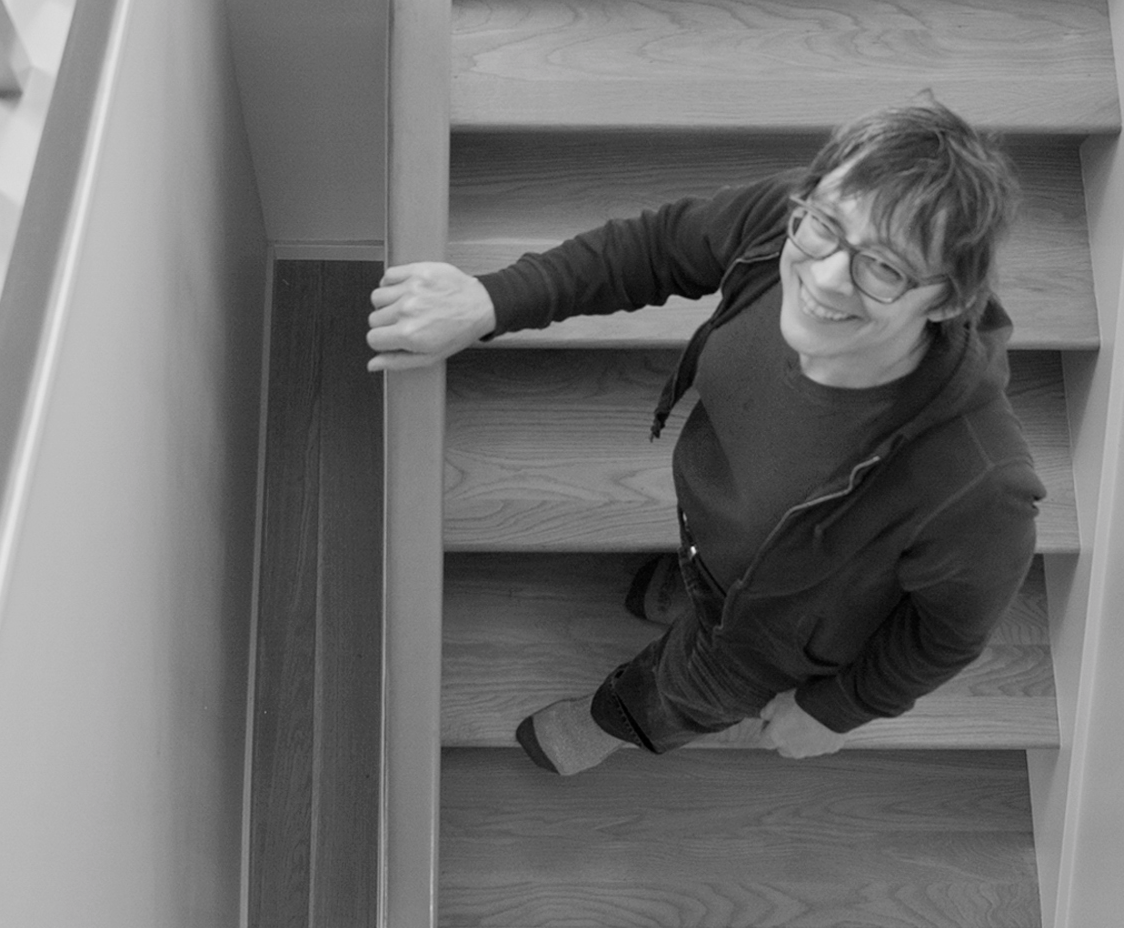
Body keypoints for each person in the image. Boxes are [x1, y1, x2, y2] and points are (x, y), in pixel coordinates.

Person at [366, 99, 1043, 777]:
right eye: (825, 227)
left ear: (950, 301)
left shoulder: (977, 486)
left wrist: (839, 709)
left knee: (683, 690)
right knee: (705, 570)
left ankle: (614, 721)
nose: (826, 276)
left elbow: (948, 634)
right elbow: (657, 247)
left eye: (886, 268)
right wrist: (492, 300)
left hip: (768, 639)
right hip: (720, 534)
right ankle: (691, 585)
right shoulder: (791, 223)